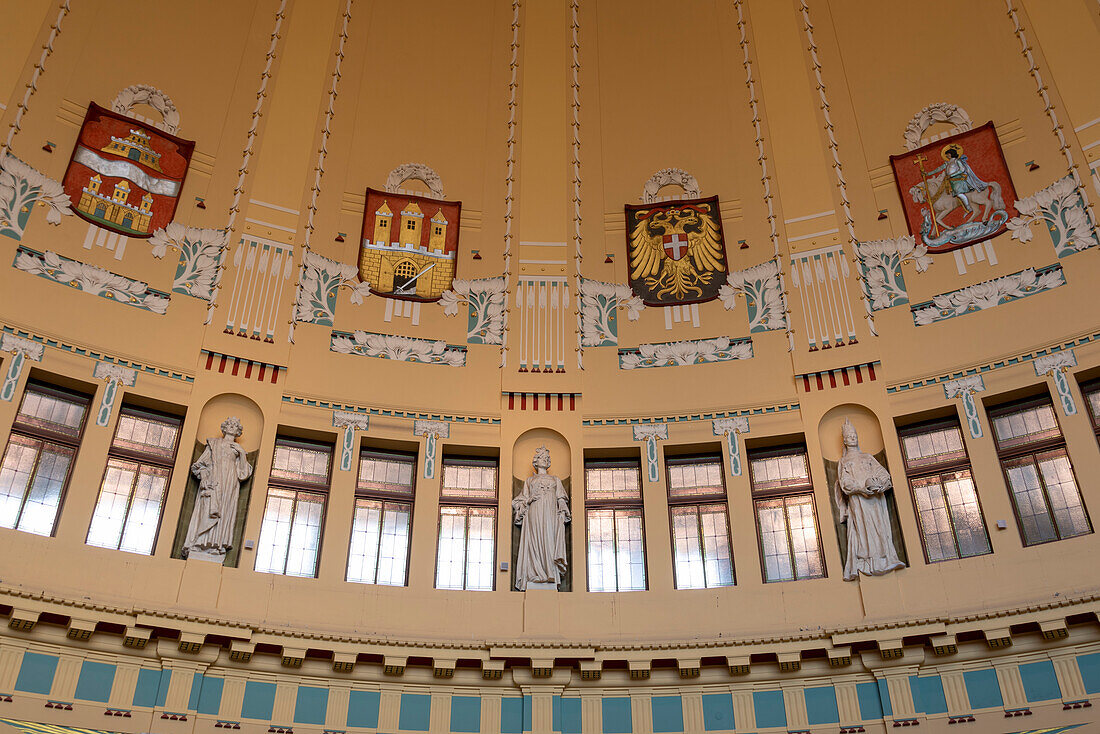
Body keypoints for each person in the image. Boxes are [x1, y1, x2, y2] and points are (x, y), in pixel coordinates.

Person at [833, 419, 905, 581]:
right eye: (849, 436)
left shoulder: (868, 457)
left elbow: (883, 474)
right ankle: (868, 561)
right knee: (864, 529)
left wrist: (879, 485)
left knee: (879, 527)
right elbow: (845, 484)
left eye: (854, 435)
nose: (853, 438)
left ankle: (885, 558)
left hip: (875, 499)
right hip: (858, 500)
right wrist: (861, 488)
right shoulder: (843, 462)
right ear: (845, 440)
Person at [183, 416, 254, 561]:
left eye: (236, 426)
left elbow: (243, 473)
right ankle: (200, 543)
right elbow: (199, 465)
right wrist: (204, 475)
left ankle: (216, 545)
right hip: (214, 480)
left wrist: (241, 453)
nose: (232, 427)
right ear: (225, 427)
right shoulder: (213, 444)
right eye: (230, 424)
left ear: (238, 431)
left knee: (224, 512)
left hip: (230, 483)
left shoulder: (239, 449)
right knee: (207, 509)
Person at [512, 446, 570, 590]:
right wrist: (529, 500)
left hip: (550, 514)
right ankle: (535, 573)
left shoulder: (556, 480)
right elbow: (519, 501)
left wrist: (562, 510)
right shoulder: (529, 481)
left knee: (549, 539)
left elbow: (561, 498)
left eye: (546, 458)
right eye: (541, 457)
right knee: (535, 540)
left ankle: (550, 573)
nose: (544, 459)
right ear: (536, 462)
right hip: (534, 513)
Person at [921, 144, 989, 220]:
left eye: (948, 154)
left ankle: (968, 208)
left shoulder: (957, 161)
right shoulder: (947, 163)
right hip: (951, 182)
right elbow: (939, 169)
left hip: (959, 180)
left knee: (959, 194)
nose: (947, 156)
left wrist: (952, 175)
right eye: (946, 155)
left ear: (951, 154)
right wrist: (928, 174)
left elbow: (962, 169)